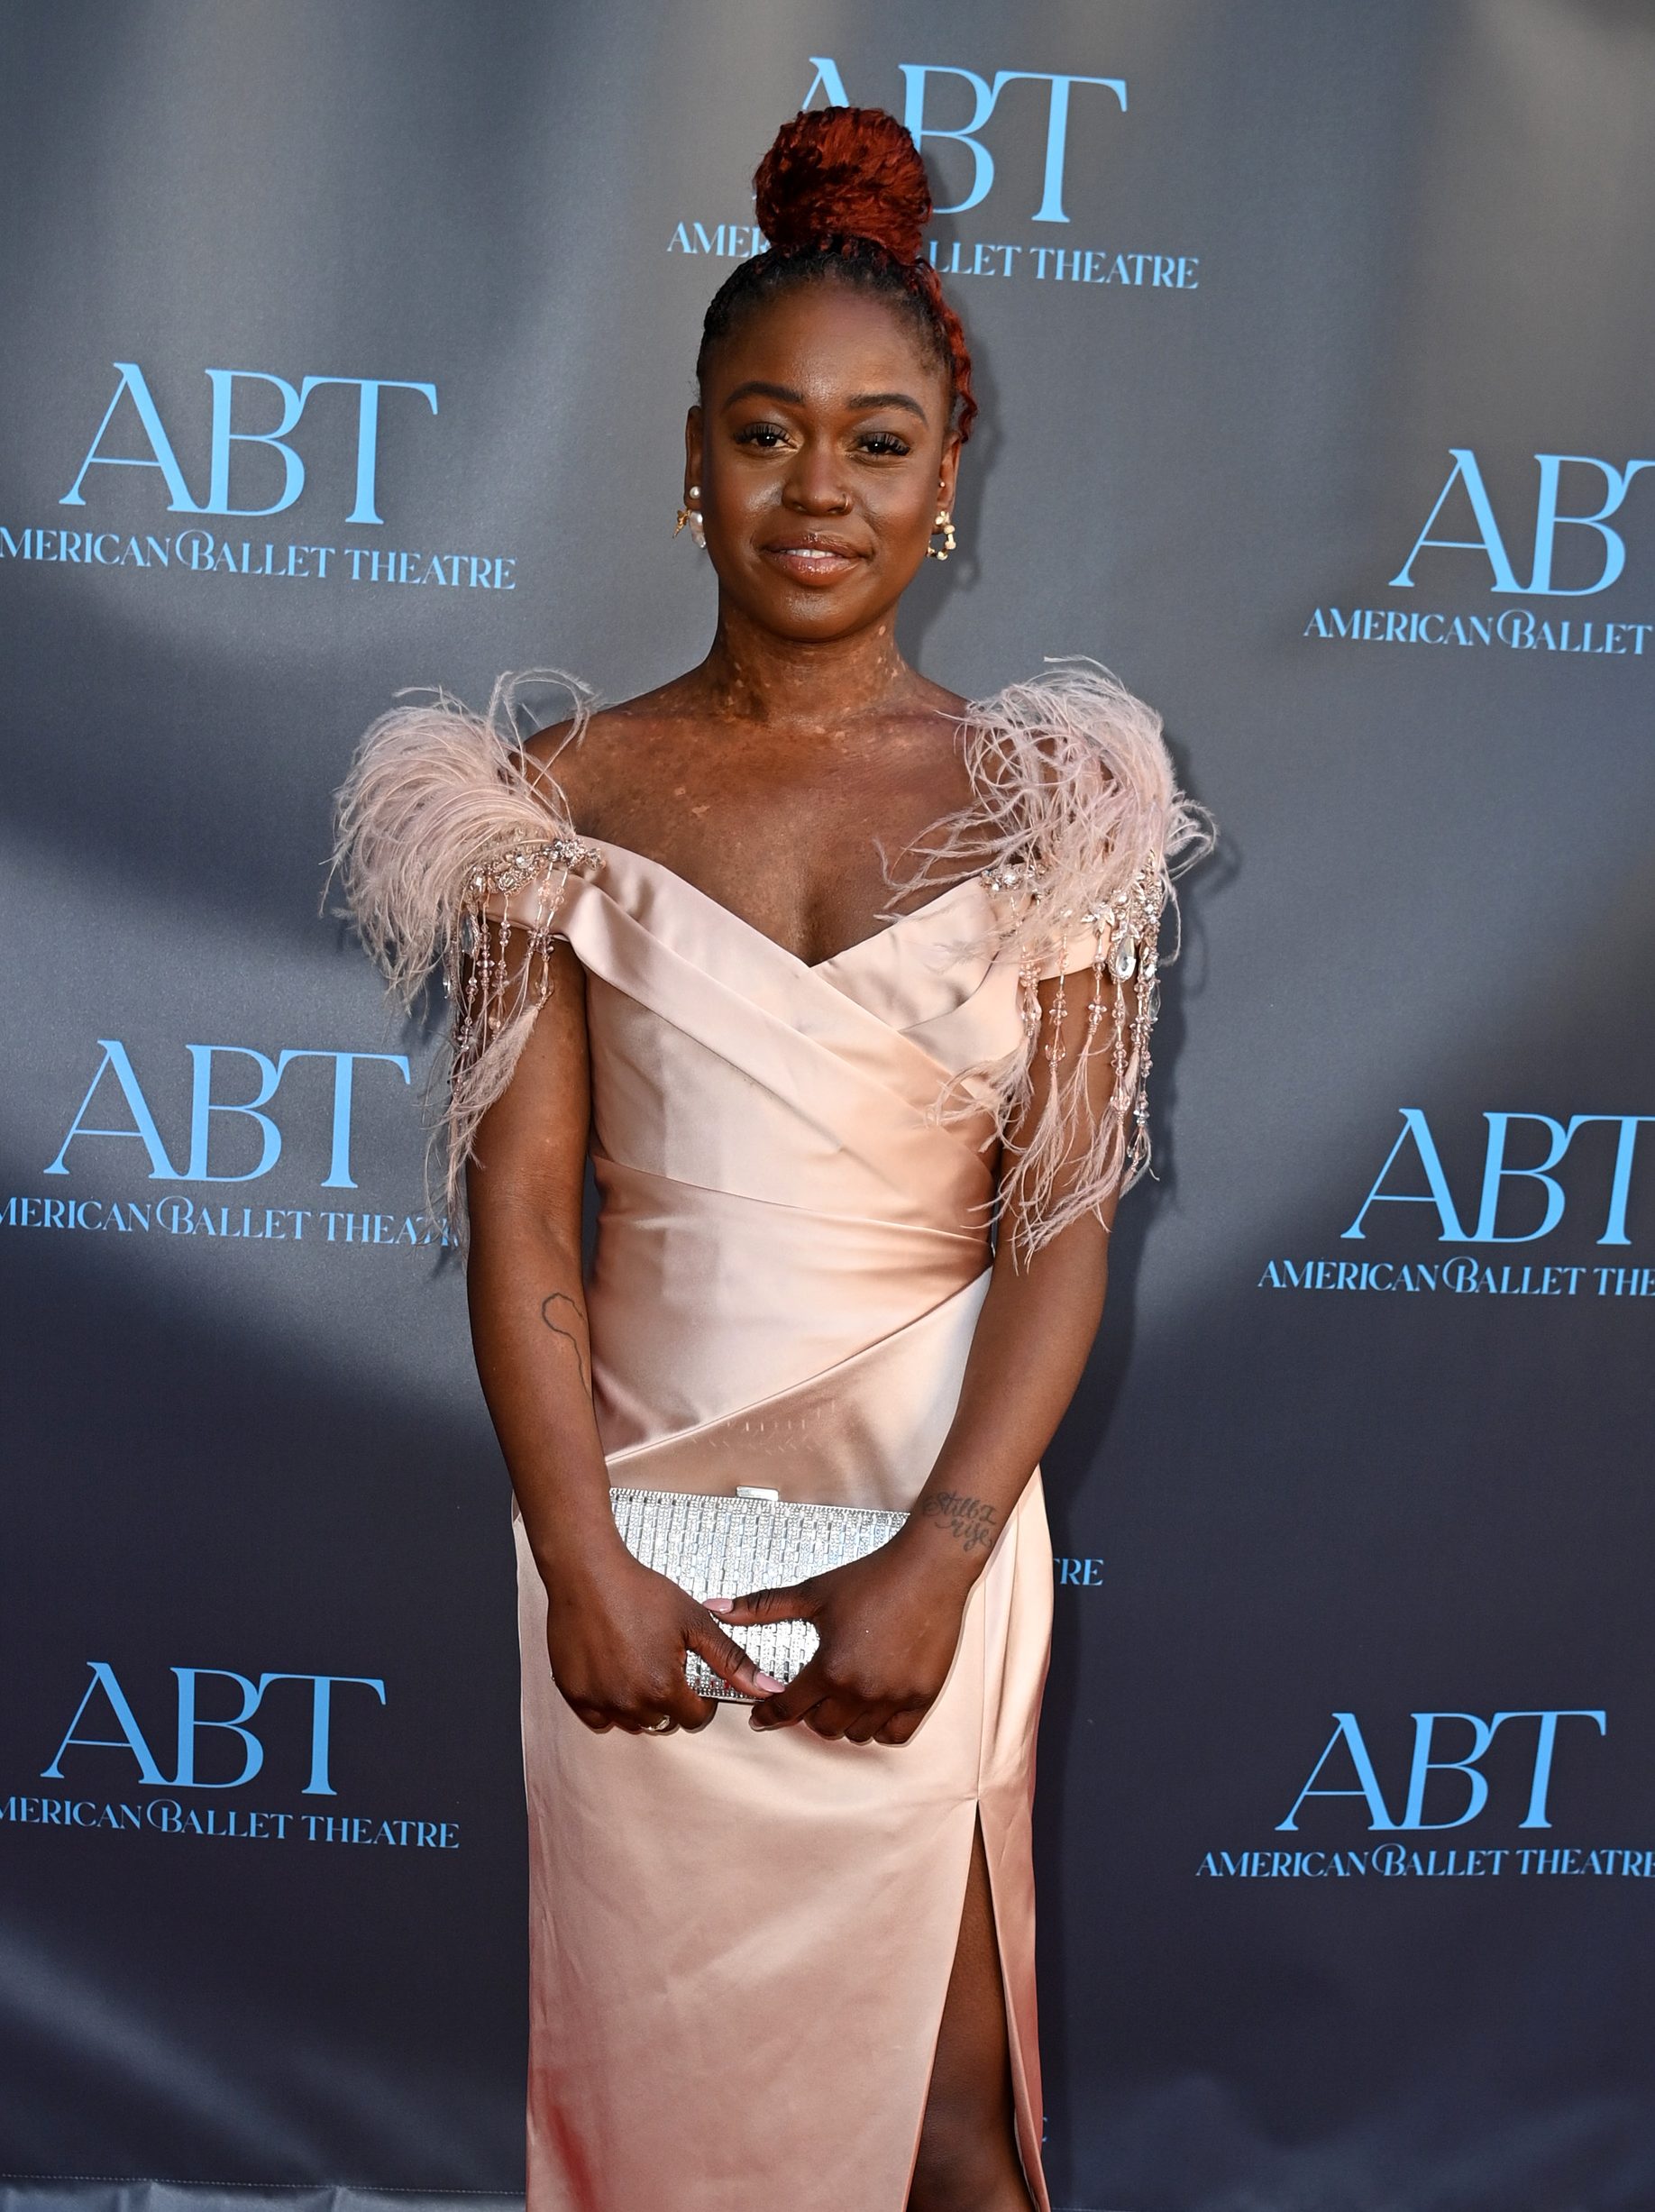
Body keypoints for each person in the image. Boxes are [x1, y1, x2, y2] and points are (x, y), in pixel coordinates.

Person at [335, 103, 1205, 2212]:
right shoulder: (550, 795)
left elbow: (1062, 1225)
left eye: (880, 439)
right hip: (632, 1530)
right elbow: (522, 1213)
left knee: (953, 2125)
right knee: (664, 2109)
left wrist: (945, 1548)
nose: (819, 488)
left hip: (930, 1519)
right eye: (766, 431)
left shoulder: (1051, 796)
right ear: (692, 456)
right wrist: (579, 1558)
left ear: (947, 486)